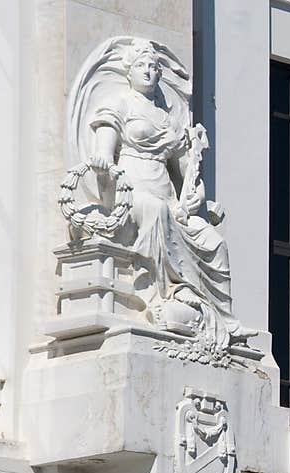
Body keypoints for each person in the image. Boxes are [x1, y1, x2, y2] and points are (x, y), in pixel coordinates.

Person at [84, 38, 253, 351]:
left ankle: (225, 317)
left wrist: (196, 197)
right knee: (155, 213)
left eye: (153, 67)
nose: (148, 72)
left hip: (167, 194)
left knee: (213, 241)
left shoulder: (167, 119)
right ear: (129, 71)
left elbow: (186, 172)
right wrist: (102, 162)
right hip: (131, 190)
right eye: (141, 66)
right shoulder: (119, 104)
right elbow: (103, 154)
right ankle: (173, 290)